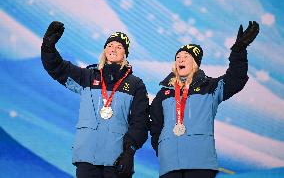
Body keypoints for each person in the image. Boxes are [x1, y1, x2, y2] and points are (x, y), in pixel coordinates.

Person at [150, 21, 259, 178]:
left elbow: (236, 78)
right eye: (178, 57)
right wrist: (162, 149)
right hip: (170, 165)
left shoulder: (211, 87)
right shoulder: (164, 92)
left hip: (200, 162)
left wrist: (238, 51)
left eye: (186, 57)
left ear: (195, 64)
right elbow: (155, 125)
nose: (180, 59)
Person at [41, 21, 149, 178]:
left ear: (125, 54)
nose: (114, 48)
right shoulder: (88, 76)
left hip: (117, 159)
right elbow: (58, 68)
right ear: (105, 51)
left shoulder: (135, 84)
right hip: (87, 157)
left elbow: (141, 121)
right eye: (110, 45)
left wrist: (130, 151)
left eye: (119, 47)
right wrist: (48, 47)